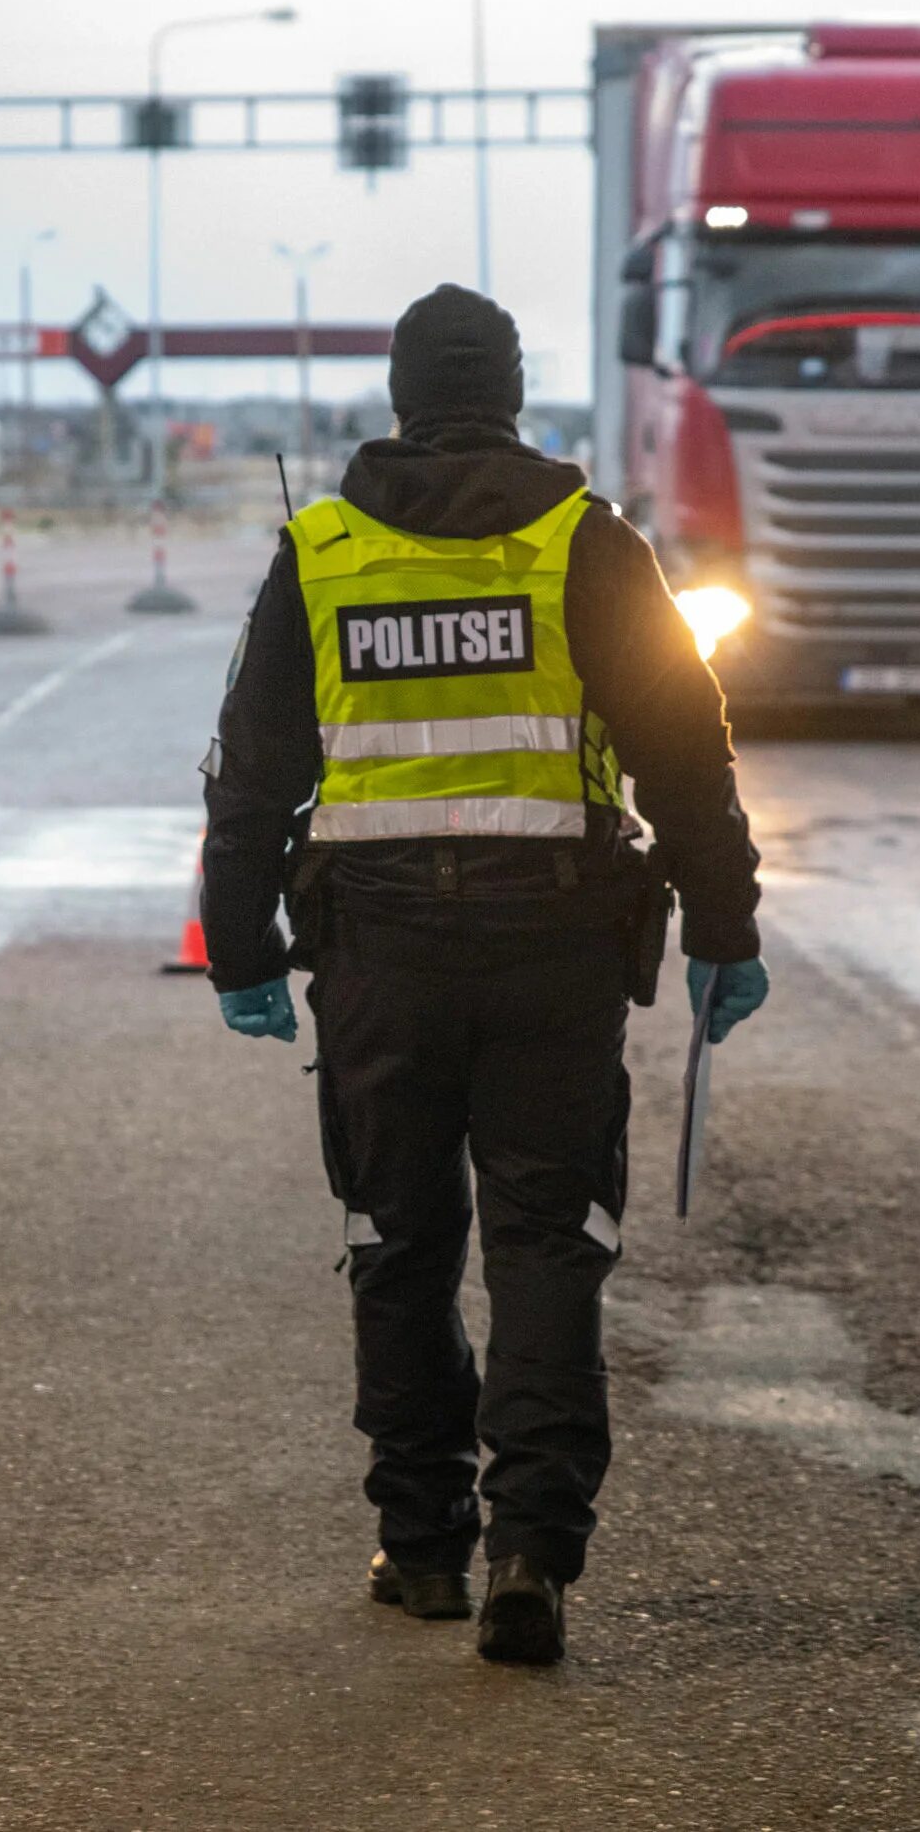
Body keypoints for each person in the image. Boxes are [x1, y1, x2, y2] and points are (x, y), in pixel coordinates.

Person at [200, 283, 769, 1667]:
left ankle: (424, 1546)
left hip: (378, 961)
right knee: (544, 1240)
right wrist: (722, 925)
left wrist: (239, 941)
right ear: (513, 393)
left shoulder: (321, 554)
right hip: (555, 952)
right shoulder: (589, 545)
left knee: (396, 1244)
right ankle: (531, 1546)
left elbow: (253, 769)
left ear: (396, 395)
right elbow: (684, 748)